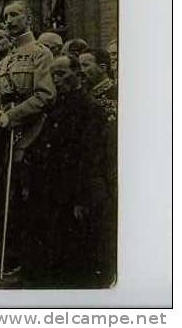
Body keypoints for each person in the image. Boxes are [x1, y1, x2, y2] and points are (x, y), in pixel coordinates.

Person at [22, 55, 106, 285]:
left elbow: (90, 155)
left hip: (72, 188)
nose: (56, 80)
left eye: (61, 74)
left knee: (72, 248)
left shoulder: (89, 108)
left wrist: (82, 197)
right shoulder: (57, 106)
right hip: (51, 186)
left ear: (78, 74)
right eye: (53, 75)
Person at [0, 1, 56, 275]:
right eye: (6, 16)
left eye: (15, 15)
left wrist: (12, 115)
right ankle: (14, 258)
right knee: (9, 198)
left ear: (29, 18)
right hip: (7, 136)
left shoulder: (41, 54)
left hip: (34, 134)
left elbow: (44, 96)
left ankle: (33, 262)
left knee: (31, 198)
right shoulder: (5, 60)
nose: (10, 20)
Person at [79, 48, 118, 284]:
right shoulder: (87, 94)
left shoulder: (112, 93)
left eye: (86, 65)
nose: (81, 71)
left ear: (102, 68)